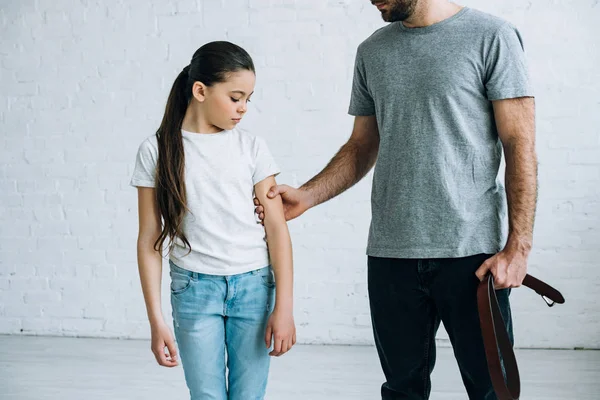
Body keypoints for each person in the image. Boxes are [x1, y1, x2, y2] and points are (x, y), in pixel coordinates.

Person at [254, 1, 536, 399]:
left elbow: (519, 145)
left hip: (473, 257)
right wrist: (307, 195)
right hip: (391, 255)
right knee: (402, 391)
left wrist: (518, 247)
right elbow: (362, 144)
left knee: (494, 391)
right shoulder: (373, 51)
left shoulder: (493, 37)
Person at [131, 41, 296, 400]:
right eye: (236, 97)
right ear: (200, 90)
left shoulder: (252, 147)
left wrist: (284, 307)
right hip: (193, 290)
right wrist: (156, 321)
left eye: (249, 99)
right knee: (206, 395)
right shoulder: (156, 150)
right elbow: (149, 240)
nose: (243, 109)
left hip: (253, 287)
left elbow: (277, 230)